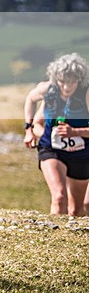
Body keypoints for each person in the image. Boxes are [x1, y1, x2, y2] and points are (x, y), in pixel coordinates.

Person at [23, 53, 89, 216]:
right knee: (59, 198)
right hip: (51, 149)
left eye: (72, 82)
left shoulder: (86, 94)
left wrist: (74, 132)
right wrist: (28, 129)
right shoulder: (47, 89)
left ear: (79, 80)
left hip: (81, 154)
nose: (67, 87)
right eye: (62, 82)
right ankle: (55, 237)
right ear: (55, 79)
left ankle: (73, 240)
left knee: (76, 209)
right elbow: (30, 99)